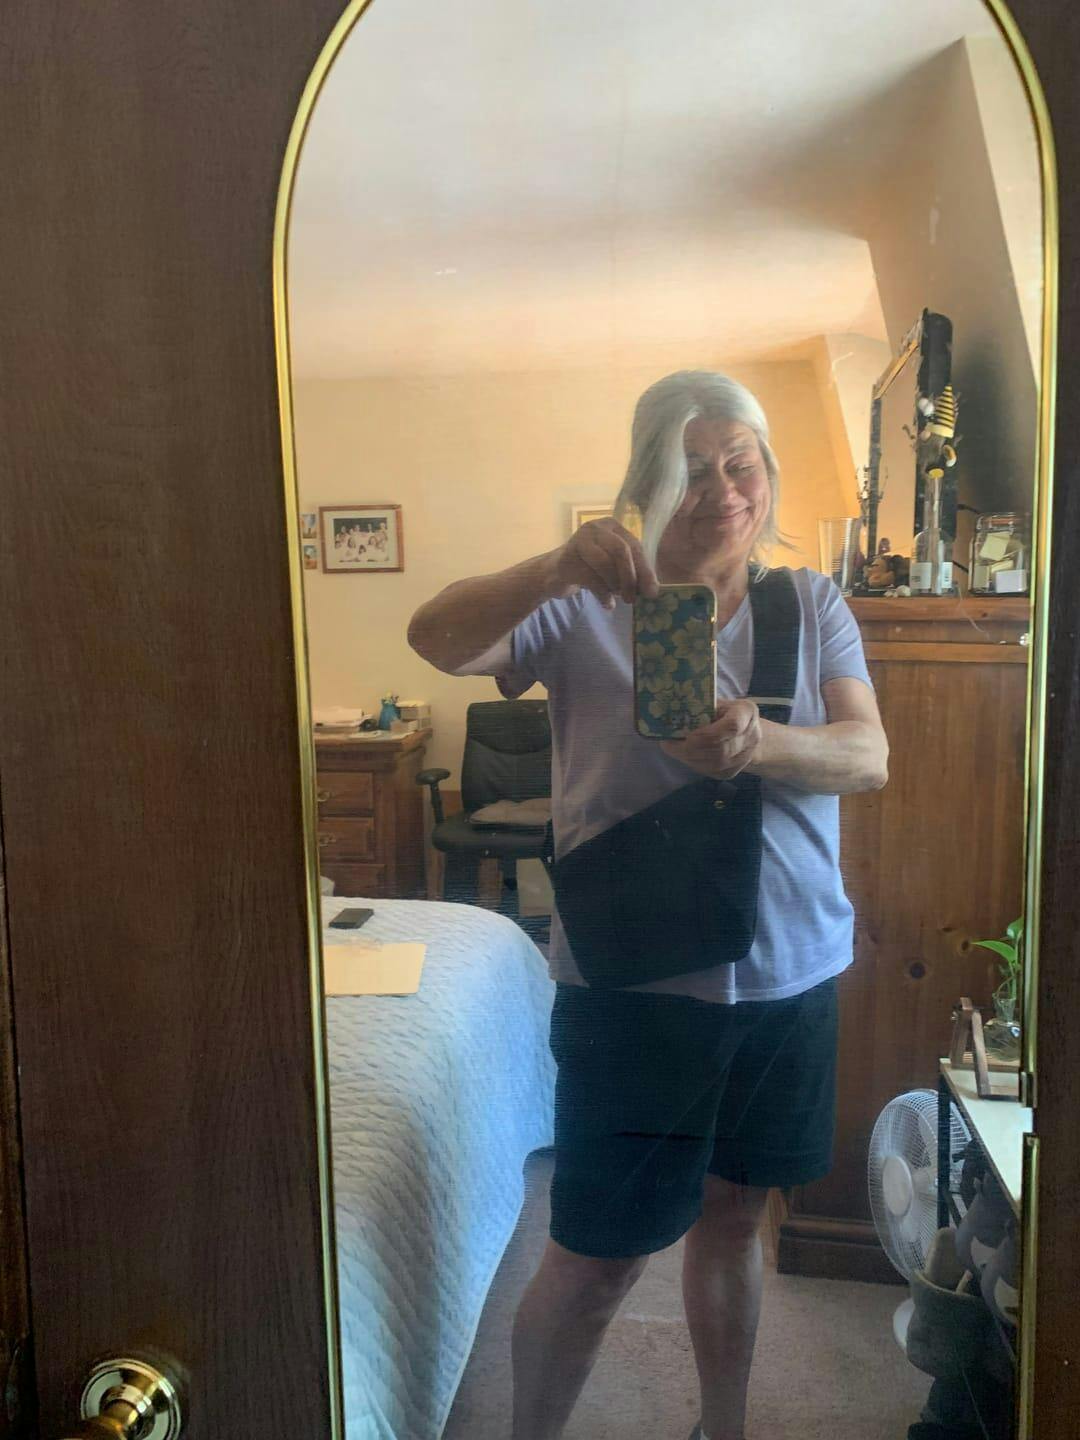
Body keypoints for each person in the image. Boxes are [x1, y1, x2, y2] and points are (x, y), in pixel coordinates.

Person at [408, 371, 888, 1440]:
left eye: (741, 464)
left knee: (736, 1219)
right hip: (631, 982)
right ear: (645, 484)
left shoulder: (812, 604)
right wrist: (553, 564)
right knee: (596, 1258)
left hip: (790, 973)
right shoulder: (578, 605)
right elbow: (433, 638)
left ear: (766, 473)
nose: (723, 492)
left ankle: (722, 1429)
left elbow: (868, 756)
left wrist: (762, 744)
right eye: (692, 470)